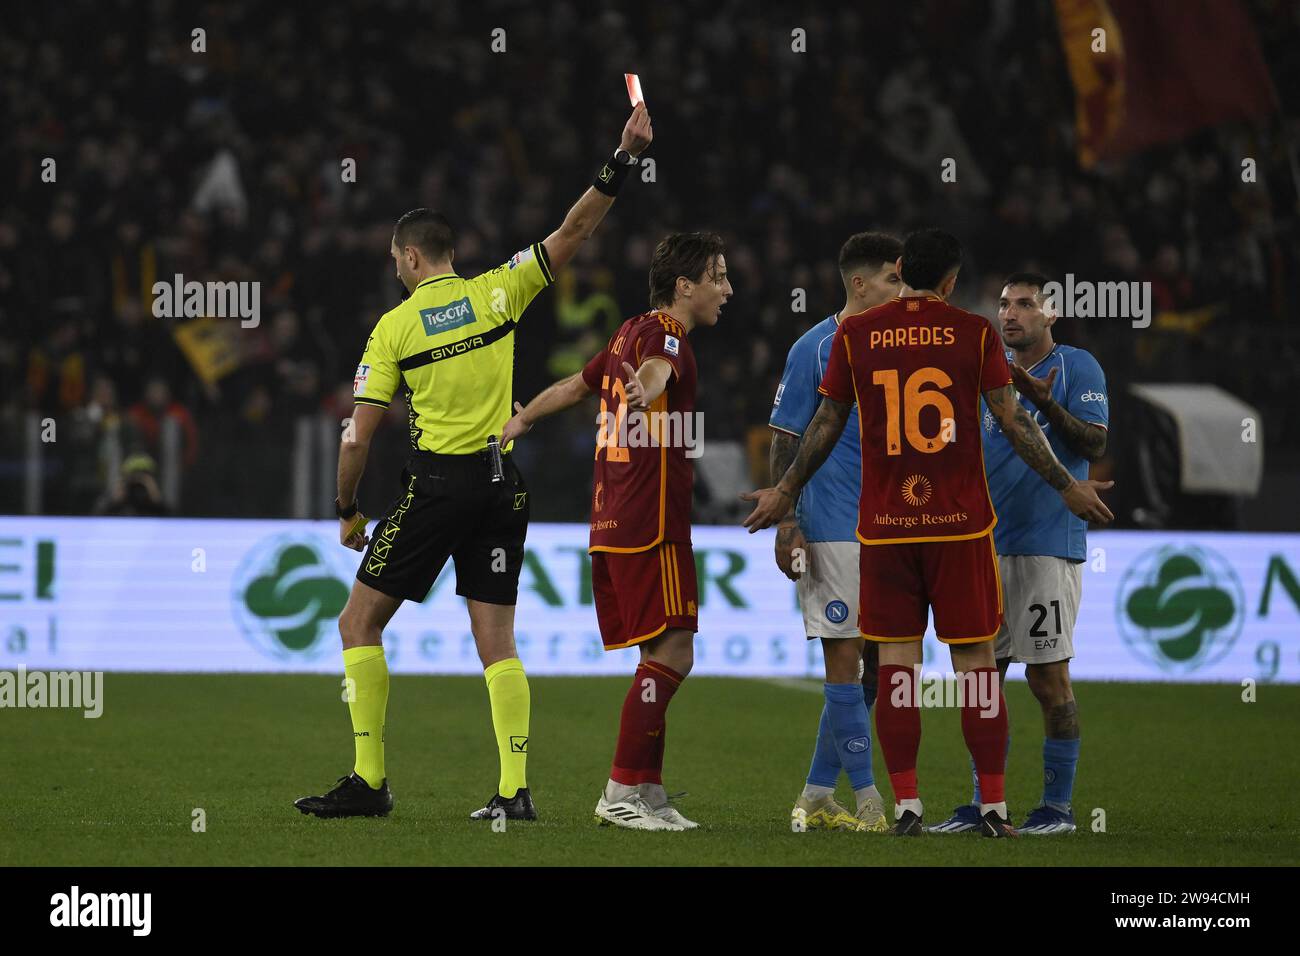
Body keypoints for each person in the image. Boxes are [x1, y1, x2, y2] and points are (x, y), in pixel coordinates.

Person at [293, 103, 654, 821]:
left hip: (437, 488)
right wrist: (621, 159)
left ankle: (370, 782)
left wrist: (346, 509)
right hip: (502, 486)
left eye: (397, 259)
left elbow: (357, 438)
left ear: (411, 258)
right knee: (498, 643)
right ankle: (513, 793)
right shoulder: (501, 289)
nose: (396, 268)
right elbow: (576, 229)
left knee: (356, 625)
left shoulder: (394, 328)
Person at [742, 229, 1113, 838]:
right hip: (961, 527)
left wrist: (785, 492)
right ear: (950, 282)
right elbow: (1012, 419)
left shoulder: (856, 335)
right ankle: (993, 807)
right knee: (975, 665)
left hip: (886, 528)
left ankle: (908, 806)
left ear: (900, 270)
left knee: (896, 668)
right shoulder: (974, 334)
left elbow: (827, 421)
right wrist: (1065, 484)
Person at [501, 232, 732, 830]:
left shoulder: (626, 330)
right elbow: (657, 373)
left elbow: (577, 387)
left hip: (614, 516)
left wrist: (523, 415)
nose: (727, 290)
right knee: (675, 653)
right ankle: (620, 791)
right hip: (649, 520)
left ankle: (647, 790)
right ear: (686, 286)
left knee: (659, 652)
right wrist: (646, 388)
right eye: (718, 277)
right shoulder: (665, 335)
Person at [930, 273, 1108, 835]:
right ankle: (988, 807)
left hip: (1046, 546)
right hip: (982, 545)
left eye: (1026, 305)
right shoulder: (986, 371)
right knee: (984, 678)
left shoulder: (1079, 366)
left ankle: (1058, 809)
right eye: (1004, 304)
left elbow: (1094, 444)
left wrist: (1046, 405)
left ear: (1051, 314)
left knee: (1048, 680)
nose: (1010, 314)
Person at [768, 232, 901, 832]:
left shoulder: (899, 347)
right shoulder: (815, 348)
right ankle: (872, 802)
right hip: (832, 526)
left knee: (873, 669)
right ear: (859, 284)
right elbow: (785, 437)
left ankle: (819, 794)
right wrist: (788, 520)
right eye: (893, 281)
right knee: (844, 660)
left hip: (890, 525)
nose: (902, 291)